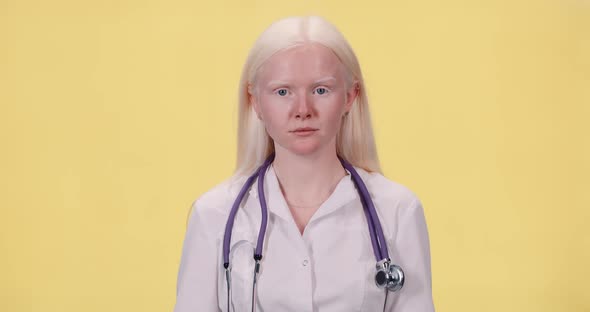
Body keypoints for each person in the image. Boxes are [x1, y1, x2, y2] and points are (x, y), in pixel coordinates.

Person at [173, 15, 435, 312]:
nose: (303, 110)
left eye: (321, 90)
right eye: (283, 91)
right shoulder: (214, 214)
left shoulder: (398, 210)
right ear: (255, 102)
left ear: (350, 96)